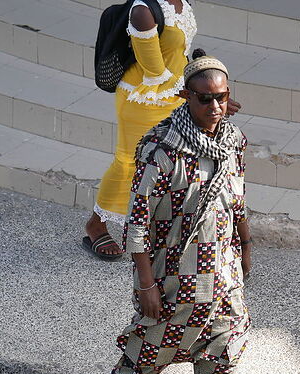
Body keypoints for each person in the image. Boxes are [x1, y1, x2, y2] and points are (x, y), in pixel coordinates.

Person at [85, 53, 252, 374]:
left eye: (222, 97)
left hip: (224, 280)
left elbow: (238, 197)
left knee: (222, 360)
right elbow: (136, 224)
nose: (215, 108)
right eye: (204, 99)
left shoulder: (233, 141)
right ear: (185, 97)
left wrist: (246, 245)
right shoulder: (162, 150)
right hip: (176, 280)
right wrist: (146, 285)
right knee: (143, 359)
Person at [83, 0, 241, 260]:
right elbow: (155, 71)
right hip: (145, 98)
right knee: (130, 163)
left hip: (182, 93)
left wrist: (209, 92)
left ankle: (171, 229)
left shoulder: (181, 1)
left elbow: (180, 55)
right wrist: (206, 95)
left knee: (181, 163)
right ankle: (96, 224)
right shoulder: (143, 11)